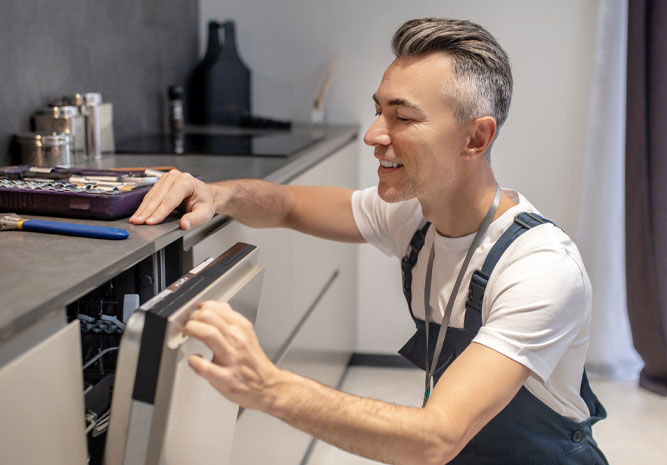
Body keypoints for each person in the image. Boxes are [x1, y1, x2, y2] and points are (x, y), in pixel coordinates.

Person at [130, 17, 608, 465]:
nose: (374, 134)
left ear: (475, 139)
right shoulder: (412, 220)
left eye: (402, 117)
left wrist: (269, 388)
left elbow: (436, 437)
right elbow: (287, 205)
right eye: (379, 110)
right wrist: (217, 192)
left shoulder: (540, 269)